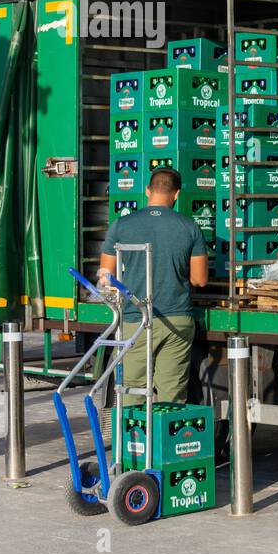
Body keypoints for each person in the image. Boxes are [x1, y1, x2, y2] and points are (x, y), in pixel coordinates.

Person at [98, 167, 208, 405]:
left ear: (148, 190)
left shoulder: (121, 225)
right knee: (172, 396)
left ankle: (134, 441)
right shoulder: (189, 227)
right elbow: (199, 280)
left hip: (135, 319)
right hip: (177, 320)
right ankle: (164, 441)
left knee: (130, 392)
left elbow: (106, 275)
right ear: (176, 194)